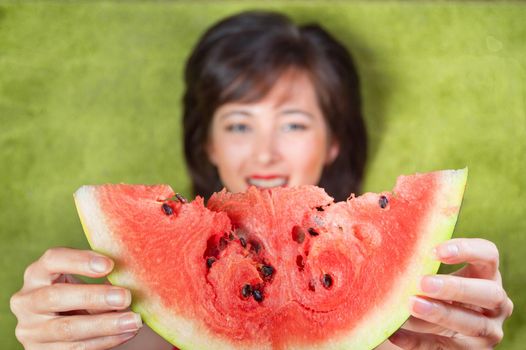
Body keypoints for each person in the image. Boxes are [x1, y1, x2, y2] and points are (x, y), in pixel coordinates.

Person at [10, 11, 513, 350]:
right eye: (238, 124)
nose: (265, 151)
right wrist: (57, 335)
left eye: (293, 123)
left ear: (333, 140)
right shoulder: (136, 316)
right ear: (207, 142)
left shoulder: (411, 310)